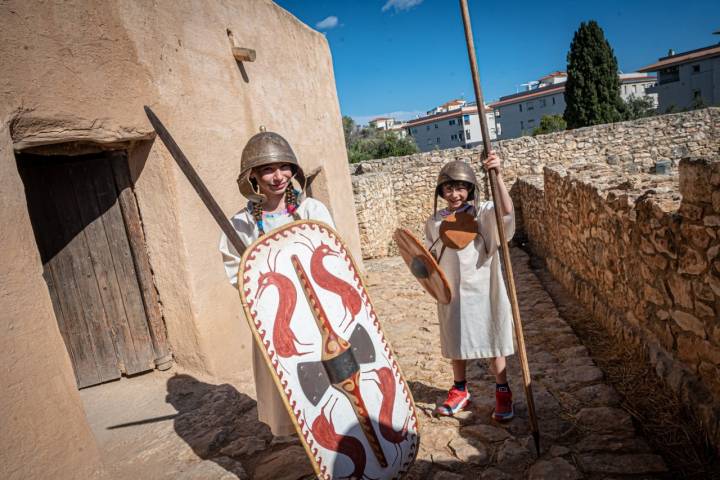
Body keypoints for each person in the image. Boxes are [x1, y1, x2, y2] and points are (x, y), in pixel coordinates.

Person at [219, 128, 334, 436]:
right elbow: (237, 269)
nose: (278, 176)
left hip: (316, 312)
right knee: (291, 384)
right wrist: (262, 289)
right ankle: (306, 438)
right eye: (267, 169)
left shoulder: (312, 210)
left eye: (284, 167)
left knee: (329, 381)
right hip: (276, 316)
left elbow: (332, 258)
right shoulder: (241, 223)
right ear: (253, 176)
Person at [424, 152, 516, 420]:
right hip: (453, 291)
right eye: (449, 188)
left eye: (461, 187)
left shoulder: (484, 212)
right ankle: (460, 389)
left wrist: (497, 175)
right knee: (457, 338)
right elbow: (429, 258)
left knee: (493, 336)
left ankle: (503, 391)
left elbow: (507, 213)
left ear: (471, 189)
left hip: (484, 288)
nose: (455, 194)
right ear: (441, 191)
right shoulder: (435, 221)